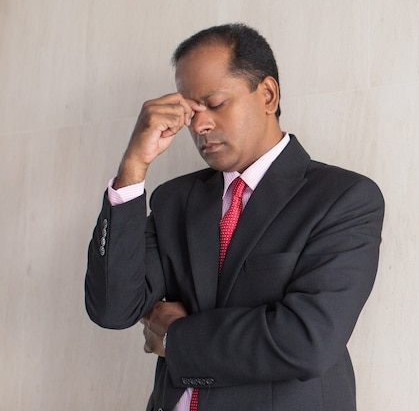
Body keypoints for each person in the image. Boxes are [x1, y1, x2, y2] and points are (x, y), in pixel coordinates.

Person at [85, 23, 384, 411]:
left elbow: (306, 341)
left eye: (215, 103)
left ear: (268, 94)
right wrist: (132, 169)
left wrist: (178, 337)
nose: (199, 125)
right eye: (191, 111)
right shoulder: (174, 199)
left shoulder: (342, 198)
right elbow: (113, 309)